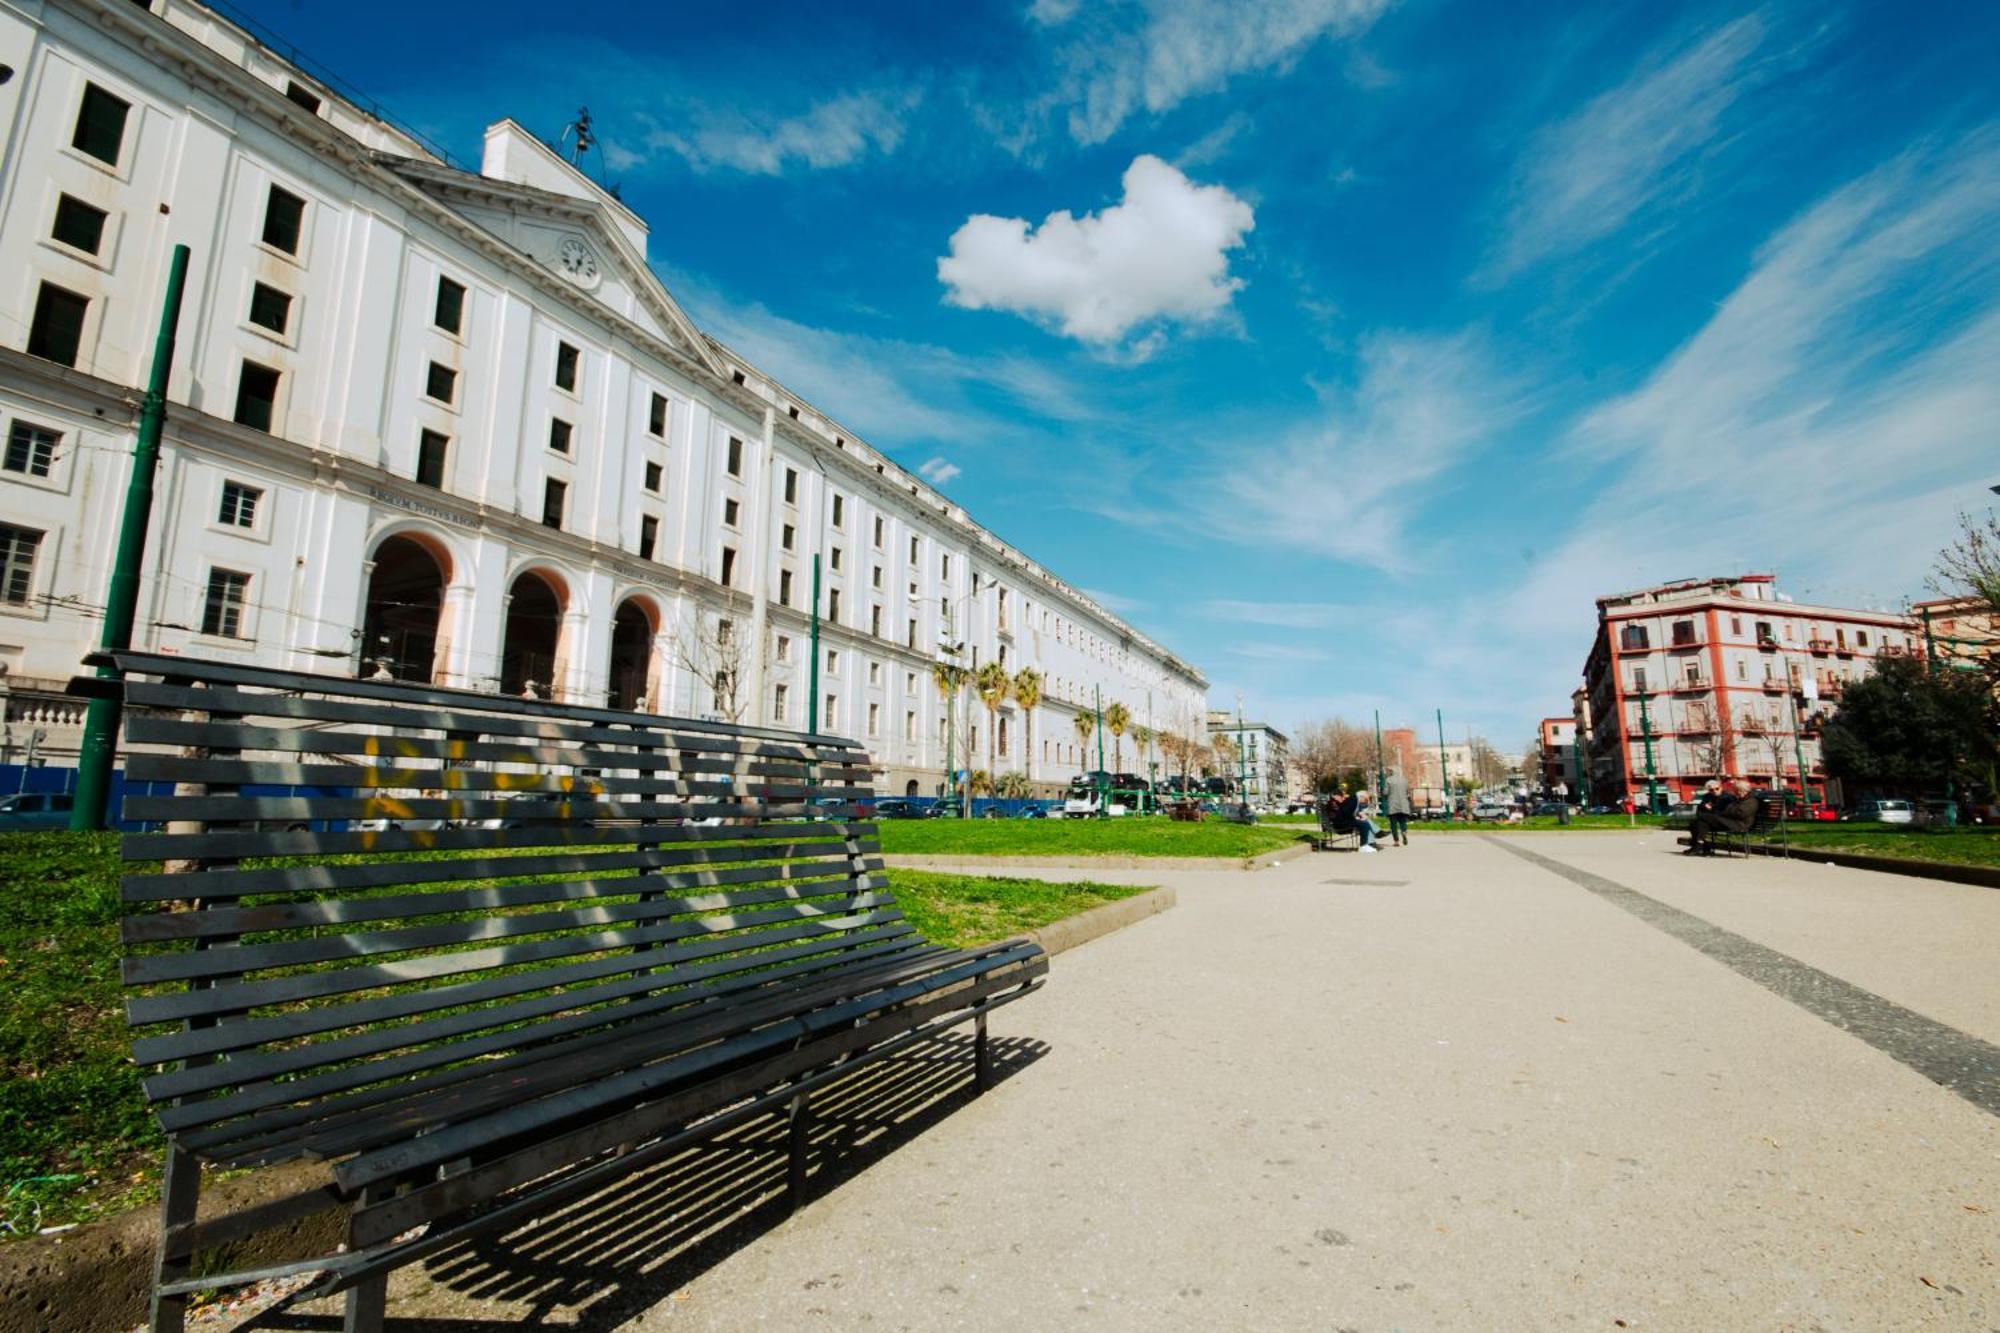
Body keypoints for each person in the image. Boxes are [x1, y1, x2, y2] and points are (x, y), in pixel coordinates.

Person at [1686, 779, 1759, 855]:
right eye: (1735, 791)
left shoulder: (1751, 801)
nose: (1735, 793)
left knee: (1702, 818)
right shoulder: (1739, 798)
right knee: (1696, 822)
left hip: (1740, 824)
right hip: (1730, 821)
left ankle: (1701, 846)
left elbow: (1740, 814)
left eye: (1736, 791)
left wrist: (1724, 811)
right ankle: (1702, 846)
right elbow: (1727, 810)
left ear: (1743, 790)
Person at [1385, 770, 1412, 846]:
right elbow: (1408, 792)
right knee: (1403, 821)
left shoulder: (1388, 780)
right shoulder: (1404, 780)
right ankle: (1404, 832)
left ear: (1392, 773)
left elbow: (1385, 792)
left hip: (1393, 804)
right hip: (1403, 804)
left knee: (1393, 824)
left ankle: (1396, 841)